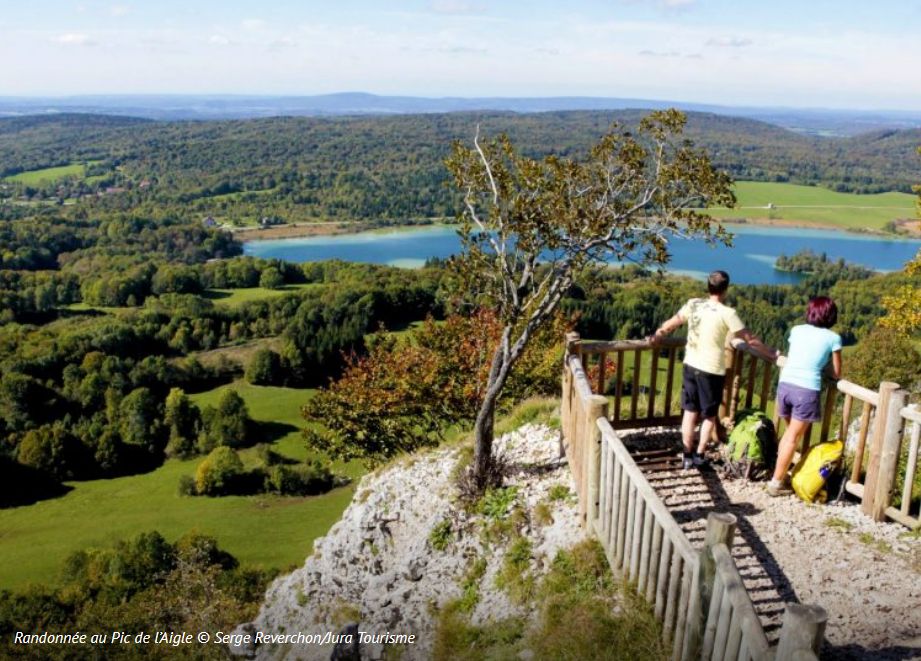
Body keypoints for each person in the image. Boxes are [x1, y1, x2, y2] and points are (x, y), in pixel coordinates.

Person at [651, 270, 777, 470]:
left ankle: (686, 454)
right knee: (709, 415)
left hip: (691, 365)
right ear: (725, 290)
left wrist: (658, 334)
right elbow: (749, 339)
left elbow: (673, 322)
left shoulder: (694, 304)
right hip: (712, 371)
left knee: (690, 412)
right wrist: (772, 354)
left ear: (708, 286)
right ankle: (700, 454)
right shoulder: (728, 313)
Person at [767, 296, 842, 496]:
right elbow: (836, 372)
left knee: (789, 434)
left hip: (785, 385)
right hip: (806, 390)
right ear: (830, 315)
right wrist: (824, 366)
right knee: (792, 437)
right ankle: (775, 483)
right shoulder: (833, 338)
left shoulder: (796, 330)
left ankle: (777, 476)